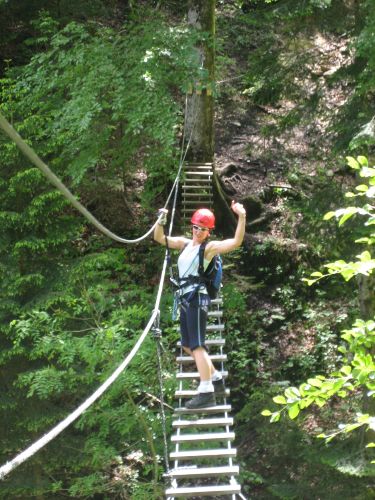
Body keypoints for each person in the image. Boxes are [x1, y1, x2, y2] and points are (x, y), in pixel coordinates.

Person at [154, 201, 246, 409]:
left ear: (208, 231)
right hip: (186, 298)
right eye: (196, 227)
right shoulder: (185, 244)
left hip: (198, 297)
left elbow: (236, 242)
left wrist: (241, 216)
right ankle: (215, 378)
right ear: (192, 226)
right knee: (187, 344)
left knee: (197, 344)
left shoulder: (208, 249)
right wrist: (161, 221)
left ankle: (206, 391)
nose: (198, 231)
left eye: (203, 229)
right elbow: (160, 238)